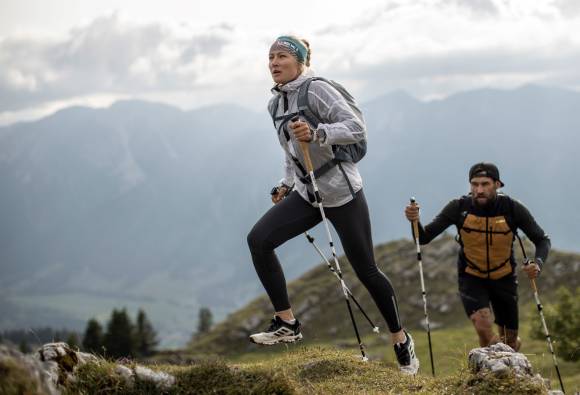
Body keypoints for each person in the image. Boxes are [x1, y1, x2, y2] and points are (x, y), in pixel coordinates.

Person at [246, 35, 419, 374]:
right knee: (259, 240)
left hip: (341, 193)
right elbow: (290, 150)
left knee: (366, 270)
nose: (274, 63)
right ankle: (287, 323)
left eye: (282, 56)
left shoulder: (317, 89)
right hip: (307, 193)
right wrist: (286, 183)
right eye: (270, 58)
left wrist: (318, 134)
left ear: (300, 61)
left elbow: (356, 127)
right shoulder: (275, 104)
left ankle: (400, 339)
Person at [404, 162, 550, 351]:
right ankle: (488, 370)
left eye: (485, 184)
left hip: (504, 277)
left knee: (510, 342)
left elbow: (542, 240)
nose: (479, 189)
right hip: (471, 276)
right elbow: (423, 238)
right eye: (474, 184)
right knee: (483, 327)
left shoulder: (512, 209)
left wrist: (537, 264)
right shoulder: (458, 207)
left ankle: (502, 361)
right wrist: (414, 220)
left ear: (497, 184)